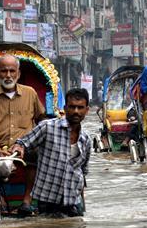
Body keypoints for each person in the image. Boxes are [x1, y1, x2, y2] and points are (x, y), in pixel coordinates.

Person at [0, 54, 45, 216]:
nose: (8, 75)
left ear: (18, 74)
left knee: (36, 153)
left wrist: (25, 143)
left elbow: (42, 122)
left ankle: (27, 200)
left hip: (25, 147)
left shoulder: (30, 93)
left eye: (12, 71)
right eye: (4, 71)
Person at [10, 88, 91, 217]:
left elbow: (82, 172)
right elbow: (24, 142)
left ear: (87, 110)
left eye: (80, 108)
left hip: (72, 202)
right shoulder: (47, 127)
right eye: (72, 107)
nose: (76, 111)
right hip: (48, 200)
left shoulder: (86, 139)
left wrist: (83, 204)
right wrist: (18, 147)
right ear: (65, 108)